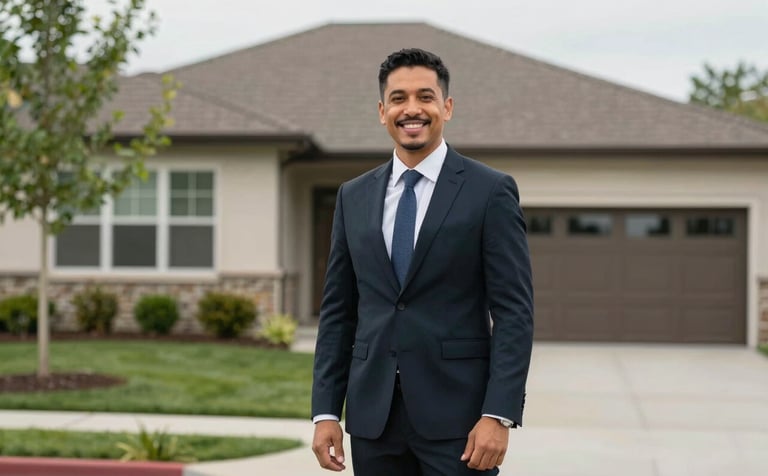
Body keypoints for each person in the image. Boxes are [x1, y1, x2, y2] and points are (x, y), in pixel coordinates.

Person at [311, 47, 534, 475]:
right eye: (398, 98)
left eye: (425, 97)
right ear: (382, 111)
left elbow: (513, 313)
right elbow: (338, 312)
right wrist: (325, 412)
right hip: (373, 420)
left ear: (446, 107)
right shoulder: (352, 197)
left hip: (461, 423)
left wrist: (499, 414)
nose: (412, 109)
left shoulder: (489, 192)